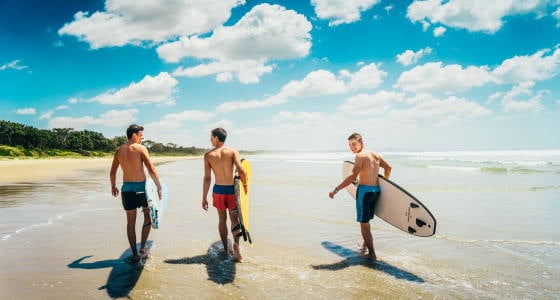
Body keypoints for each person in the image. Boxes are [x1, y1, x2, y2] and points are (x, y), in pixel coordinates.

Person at [328, 133, 391, 260]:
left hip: (364, 192)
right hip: (376, 191)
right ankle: (364, 246)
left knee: (363, 223)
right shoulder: (375, 154)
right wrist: (385, 181)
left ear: (361, 142)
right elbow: (388, 168)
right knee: (366, 221)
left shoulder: (360, 156)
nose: (352, 148)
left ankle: (372, 254)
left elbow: (352, 176)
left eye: (354, 144)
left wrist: (336, 190)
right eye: (350, 145)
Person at [110, 124, 162, 263]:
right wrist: (159, 187)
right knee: (148, 218)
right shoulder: (140, 148)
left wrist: (113, 186)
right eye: (140, 135)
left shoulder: (119, 150)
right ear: (134, 135)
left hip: (126, 190)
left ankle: (134, 253)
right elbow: (151, 169)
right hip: (141, 190)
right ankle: (143, 248)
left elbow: (113, 171)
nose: (142, 138)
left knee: (130, 222)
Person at [202, 128, 247, 262]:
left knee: (222, 219)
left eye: (211, 137)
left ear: (216, 137)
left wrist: (204, 197)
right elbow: (240, 169)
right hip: (232, 191)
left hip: (219, 191)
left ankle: (226, 249)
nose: (210, 139)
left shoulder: (208, 155)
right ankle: (236, 246)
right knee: (235, 219)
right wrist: (245, 186)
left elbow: (207, 178)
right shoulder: (233, 152)